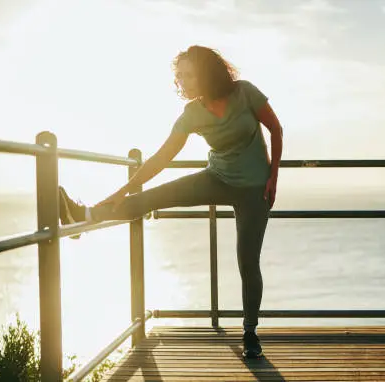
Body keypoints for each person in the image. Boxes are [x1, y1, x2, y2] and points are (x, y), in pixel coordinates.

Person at [57, 45, 283, 359]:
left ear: (206, 72)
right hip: (217, 178)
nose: (183, 82)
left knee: (247, 260)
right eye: (179, 77)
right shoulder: (192, 112)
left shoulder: (245, 93)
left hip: (256, 189)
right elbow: (162, 158)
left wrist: (273, 176)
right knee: (152, 197)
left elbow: (276, 129)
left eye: (188, 75)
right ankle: (84, 216)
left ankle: (250, 334)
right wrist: (123, 190)